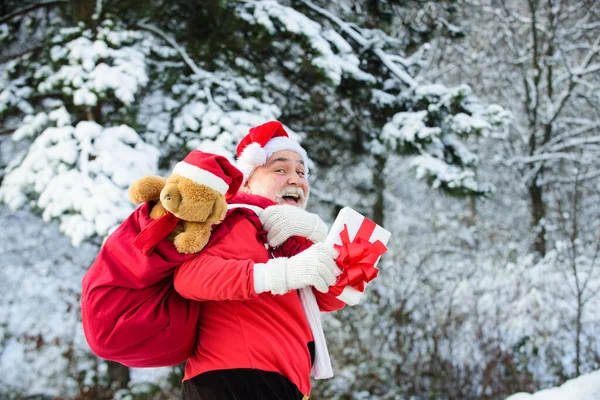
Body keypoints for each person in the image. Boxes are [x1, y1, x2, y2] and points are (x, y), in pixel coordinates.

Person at [173, 120, 345, 400]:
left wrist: (331, 247)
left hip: (277, 382)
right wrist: (285, 273)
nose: (295, 179)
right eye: (280, 169)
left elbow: (328, 298)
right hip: (237, 378)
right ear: (248, 179)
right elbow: (189, 278)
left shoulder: (288, 238)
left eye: (302, 172)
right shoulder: (235, 218)